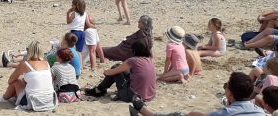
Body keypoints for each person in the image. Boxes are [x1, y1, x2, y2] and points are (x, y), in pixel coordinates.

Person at [129, 72, 264, 116]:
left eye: (226, 86)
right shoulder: (260, 112)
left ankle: (147, 112)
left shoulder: (225, 113)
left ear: (230, 93)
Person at [86, 39, 156, 103]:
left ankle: (99, 90)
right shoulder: (150, 60)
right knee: (121, 70)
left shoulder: (132, 61)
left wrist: (106, 71)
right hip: (150, 95)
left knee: (116, 68)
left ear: (134, 51)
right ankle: (99, 89)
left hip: (132, 97)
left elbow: (113, 72)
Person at [0, 41, 57, 111]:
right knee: (27, 82)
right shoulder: (46, 63)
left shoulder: (24, 64)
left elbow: (10, 80)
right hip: (50, 101)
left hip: (34, 102)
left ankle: (4, 98)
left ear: (29, 51)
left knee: (16, 82)